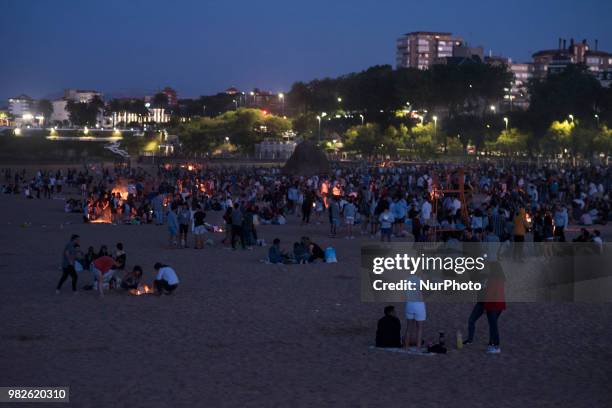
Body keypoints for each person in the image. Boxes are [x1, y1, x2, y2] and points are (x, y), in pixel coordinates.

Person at [463, 262, 506, 354]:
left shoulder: (495, 278)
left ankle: (494, 345)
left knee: (493, 325)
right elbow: (471, 279)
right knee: (472, 320)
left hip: (491, 305)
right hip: (482, 303)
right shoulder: (481, 275)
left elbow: (494, 294)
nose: (485, 267)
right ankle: (471, 340)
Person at [403, 272, 426, 352]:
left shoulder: (406, 279)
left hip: (409, 304)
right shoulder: (420, 279)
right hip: (419, 304)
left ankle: (406, 346)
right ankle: (418, 347)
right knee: (419, 328)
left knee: (408, 327)